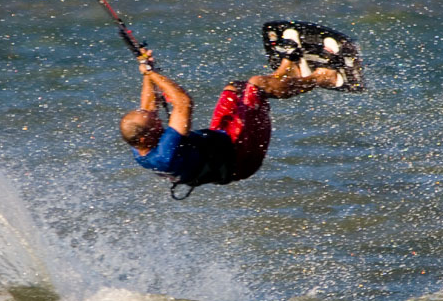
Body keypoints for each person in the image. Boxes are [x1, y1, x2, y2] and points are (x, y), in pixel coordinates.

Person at [119, 41, 338, 198]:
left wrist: (147, 72)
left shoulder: (140, 142)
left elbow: (148, 107)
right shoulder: (166, 153)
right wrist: (154, 75)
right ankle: (322, 77)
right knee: (256, 86)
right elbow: (184, 103)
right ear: (150, 134)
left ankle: (288, 68)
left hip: (221, 142)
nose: (155, 116)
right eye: (154, 121)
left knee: (236, 87)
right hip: (241, 155)